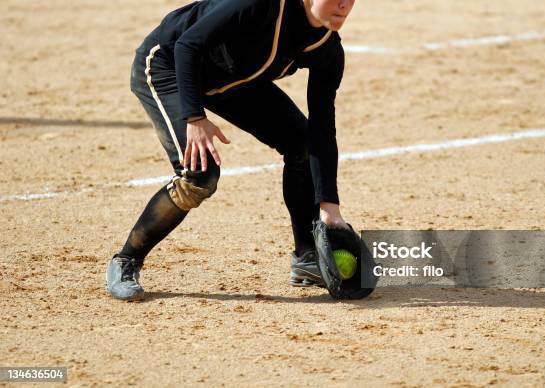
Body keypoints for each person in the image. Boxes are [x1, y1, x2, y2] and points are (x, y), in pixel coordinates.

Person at [106, 0, 357, 301]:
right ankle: (126, 260)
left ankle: (306, 257)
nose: (344, 4)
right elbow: (188, 45)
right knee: (199, 176)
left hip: (230, 79)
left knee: (300, 142)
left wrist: (330, 207)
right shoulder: (260, 5)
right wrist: (195, 117)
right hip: (169, 63)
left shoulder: (327, 50)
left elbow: (322, 130)